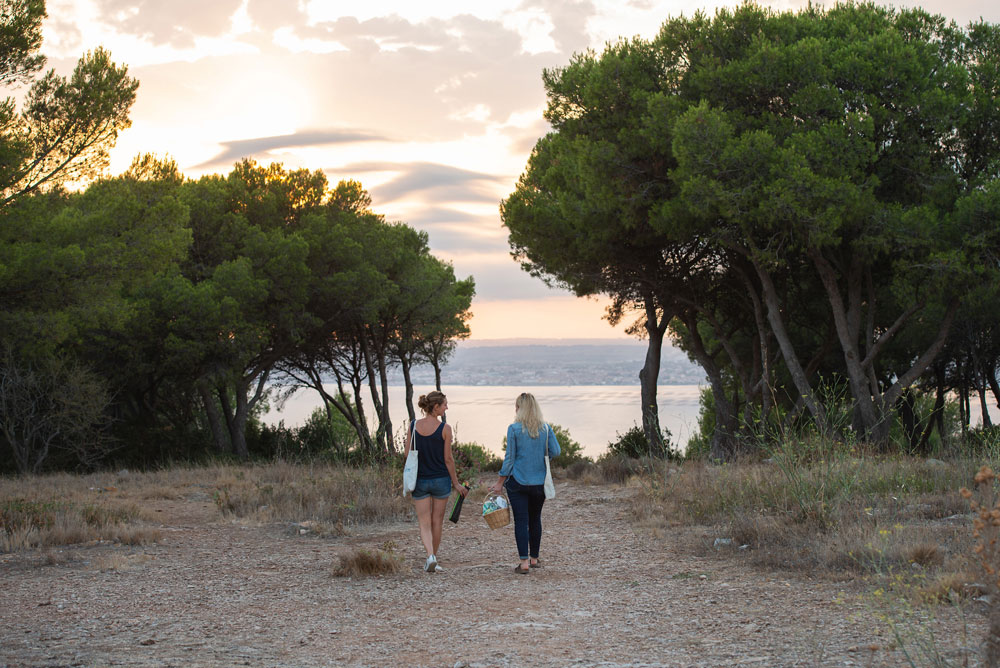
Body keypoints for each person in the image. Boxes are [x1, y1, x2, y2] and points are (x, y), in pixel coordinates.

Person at [489, 392, 560, 574]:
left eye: (516, 406)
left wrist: (499, 482)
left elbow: (509, 459)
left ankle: (524, 563)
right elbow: (556, 451)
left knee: (521, 521)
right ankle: (534, 559)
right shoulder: (546, 428)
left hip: (518, 482)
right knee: (535, 519)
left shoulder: (513, 429)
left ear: (520, 409)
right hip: (539, 483)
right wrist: (542, 459)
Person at [404, 390, 467, 573]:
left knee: (424, 522)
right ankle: (434, 559)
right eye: (445, 404)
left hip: (420, 480)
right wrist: (456, 483)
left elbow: (407, 454)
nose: (447, 407)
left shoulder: (413, 426)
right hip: (441, 480)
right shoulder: (445, 429)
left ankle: (430, 556)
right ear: (436, 407)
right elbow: (449, 459)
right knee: (437, 522)